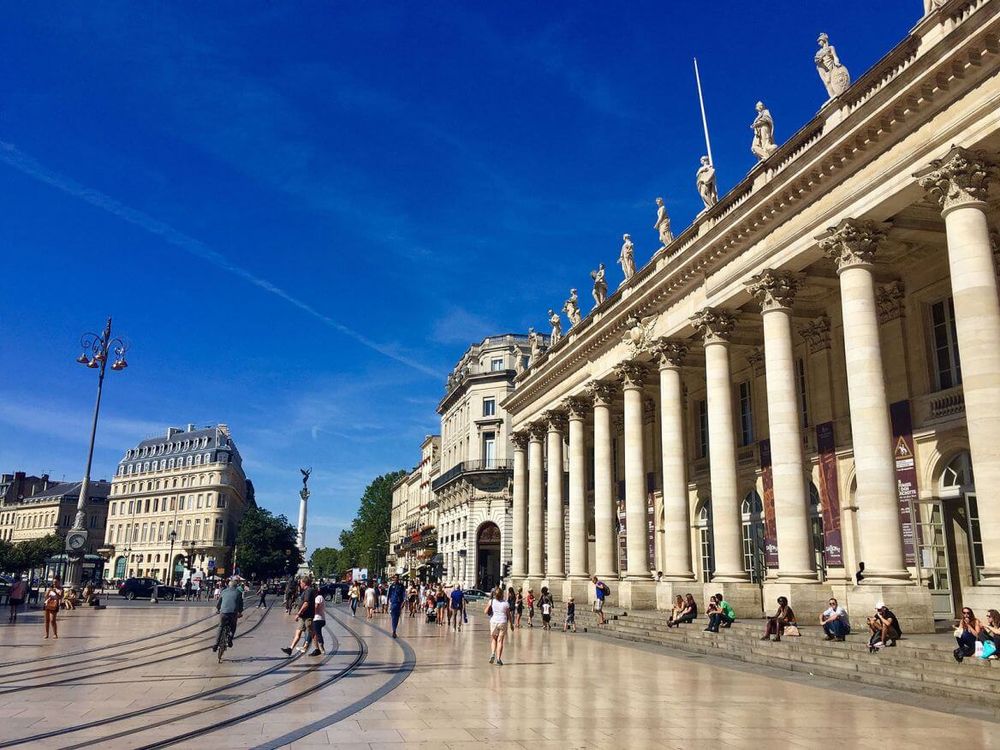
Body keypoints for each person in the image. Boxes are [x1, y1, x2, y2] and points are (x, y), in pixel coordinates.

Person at [281, 577, 318, 656]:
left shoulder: (309, 591)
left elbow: (306, 604)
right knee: (298, 632)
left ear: (304, 583)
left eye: (301, 583)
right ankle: (290, 649)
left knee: (312, 633)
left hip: (308, 616)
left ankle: (317, 649)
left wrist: (298, 613)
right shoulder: (305, 591)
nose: (300, 584)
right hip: (302, 616)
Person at [213, 579, 244, 652]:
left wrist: (218, 609)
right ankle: (230, 639)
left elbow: (219, 602)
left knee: (220, 627)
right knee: (233, 626)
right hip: (233, 613)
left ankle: (216, 645)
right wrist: (240, 612)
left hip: (223, 613)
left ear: (228, 585)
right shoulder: (238, 592)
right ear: (236, 586)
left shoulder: (223, 591)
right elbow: (240, 604)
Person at [487, 587, 511, 666]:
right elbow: (508, 615)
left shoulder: (492, 601)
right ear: (502, 594)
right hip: (503, 622)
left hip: (494, 622)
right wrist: (511, 624)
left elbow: (485, 611)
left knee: (494, 639)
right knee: (500, 641)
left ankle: (493, 653)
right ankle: (498, 659)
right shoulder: (506, 603)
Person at [387, 574, 407, 638]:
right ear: (393, 579)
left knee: (397, 617)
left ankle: (394, 630)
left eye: (397, 578)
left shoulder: (401, 586)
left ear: (398, 579)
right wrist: (387, 603)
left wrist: (404, 601)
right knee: (393, 617)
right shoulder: (391, 586)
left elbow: (404, 594)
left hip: (399, 603)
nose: (396, 579)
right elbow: (388, 595)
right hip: (393, 603)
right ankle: (394, 630)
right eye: (394, 578)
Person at [310, 588, 326, 656]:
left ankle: (321, 647)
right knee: (314, 633)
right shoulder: (322, 597)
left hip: (317, 619)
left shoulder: (318, 597)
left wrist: (311, 611)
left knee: (318, 633)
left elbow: (316, 606)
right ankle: (317, 648)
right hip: (321, 619)